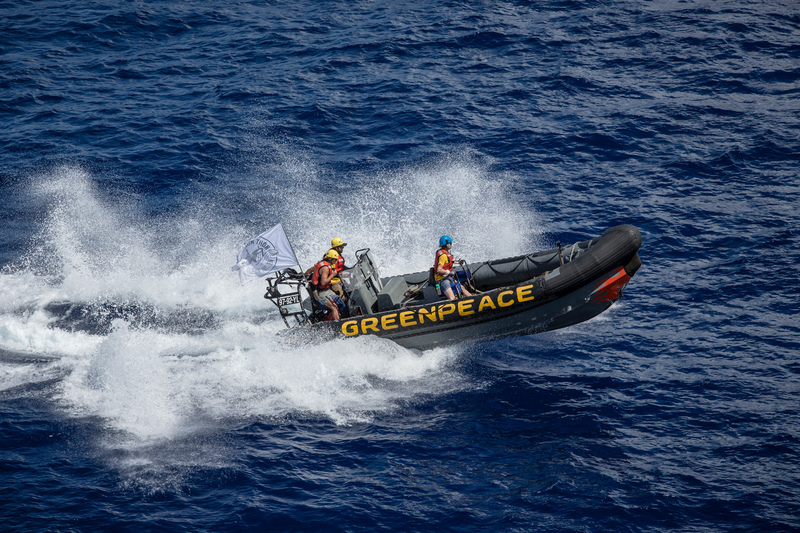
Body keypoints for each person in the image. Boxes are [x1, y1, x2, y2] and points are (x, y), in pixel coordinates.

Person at [310, 249, 348, 320]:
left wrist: (304, 274)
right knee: (334, 307)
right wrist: (332, 275)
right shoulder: (325, 268)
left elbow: (310, 270)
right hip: (320, 293)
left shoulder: (323, 263)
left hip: (326, 290)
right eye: (335, 260)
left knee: (339, 300)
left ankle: (345, 317)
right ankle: (338, 325)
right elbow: (323, 282)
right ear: (330, 259)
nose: (336, 262)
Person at [433, 235, 472, 300]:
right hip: (442, 280)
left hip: (448, 278)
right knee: (452, 297)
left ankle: (472, 298)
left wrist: (458, 262)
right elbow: (439, 269)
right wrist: (448, 272)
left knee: (462, 288)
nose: (451, 244)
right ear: (447, 244)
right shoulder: (443, 256)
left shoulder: (445, 253)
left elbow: (449, 261)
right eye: (450, 243)